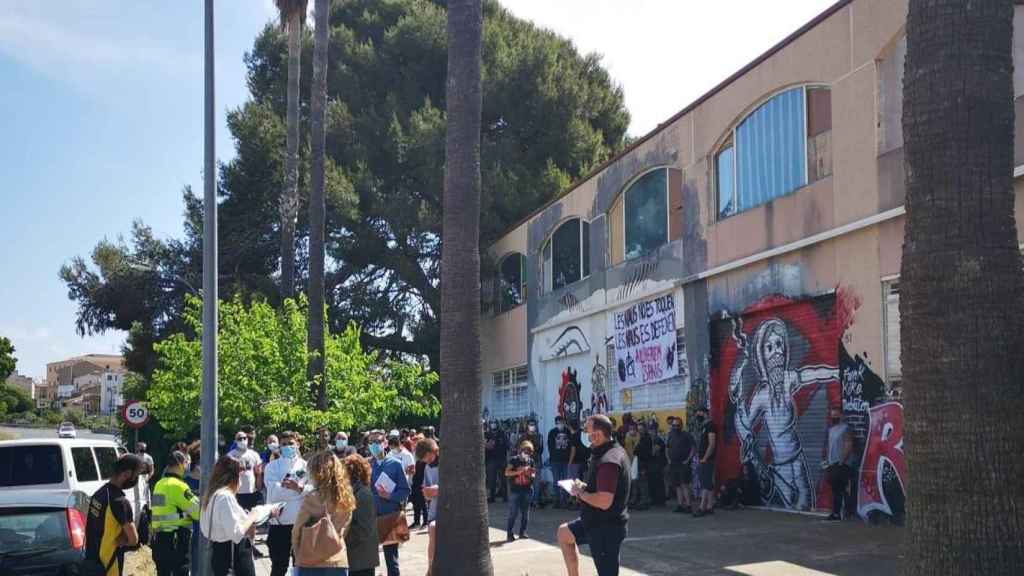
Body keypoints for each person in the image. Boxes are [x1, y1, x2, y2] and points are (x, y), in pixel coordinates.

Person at [557, 415, 629, 576]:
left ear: (597, 434)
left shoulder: (609, 460)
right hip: (593, 520)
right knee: (564, 533)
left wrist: (580, 493)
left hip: (606, 527)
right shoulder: (606, 451)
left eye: (587, 431)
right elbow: (602, 487)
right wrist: (584, 487)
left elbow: (604, 501)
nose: (585, 435)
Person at [201, 456, 271, 576]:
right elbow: (236, 533)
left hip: (219, 552)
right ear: (233, 477)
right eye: (240, 475)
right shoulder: (225, 497)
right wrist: (252, 516)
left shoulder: (212, 495)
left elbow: (206, 528)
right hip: (234, 555)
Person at [291, 451, 355, 575]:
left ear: (316, 473)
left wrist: (298, 555)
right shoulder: (347, 498)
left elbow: (296, 531)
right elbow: (344, 529)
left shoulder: (312, 498)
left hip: (310, 561)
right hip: (337, 560)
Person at [84, 454, 145, 576]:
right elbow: (134, 539)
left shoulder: (99, 494)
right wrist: (124, 538)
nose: (135, 479)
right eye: (136, 475)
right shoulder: (120, 502)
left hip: (92, 563)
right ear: (127, 474)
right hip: (110, 565)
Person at [264, 431, 309, 576]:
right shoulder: (272, 467)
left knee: (302, 566)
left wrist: (299, 488)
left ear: (298, 444)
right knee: (278, 566)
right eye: (284, 444)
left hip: (301, 524)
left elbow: (314, 491)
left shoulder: (306, 466)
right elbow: (274, 493)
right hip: (279, 524)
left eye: (291, 443)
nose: (287, 447)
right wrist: (298, 493)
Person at [151, 451, 200, 576]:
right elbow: (198, 512)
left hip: (159, 539)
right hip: (175, 540)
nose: (187, 466)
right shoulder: (179, 486)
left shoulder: (159, 484)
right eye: (186, 462)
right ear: (179, 463)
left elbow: (160, 511)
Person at [370, 430, 411, 576]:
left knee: (391, 560)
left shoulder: (395, 464)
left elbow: (405, 491)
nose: (374, 445)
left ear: (385, 443)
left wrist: (389, 495)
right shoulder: (368, 465)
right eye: (371, 442)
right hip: (372, 517)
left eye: (378, 442)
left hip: (389, 517)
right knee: (368, 559)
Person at [342, 454, 380, 576]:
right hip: (356, 557)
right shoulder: (354, 492)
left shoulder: (363, 494)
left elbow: (364, 529)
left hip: (362, 559)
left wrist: (342, 538)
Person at [824, 405, 855, 520]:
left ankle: (846, 513)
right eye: (832, 415)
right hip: (832, 463)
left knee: (842, 489)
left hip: (842, 463)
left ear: (841, 415)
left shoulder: (846, 428)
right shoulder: (831, 429)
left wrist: (842, 461)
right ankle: (836, 513)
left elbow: (848, 444)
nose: (834, 417)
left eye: (836, 415)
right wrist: (827, 461)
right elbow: (829, 446)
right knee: (836, 489)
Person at [415, 438, 440, 576]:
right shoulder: (427, 467)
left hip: (447, 509)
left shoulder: (446, 461)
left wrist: (437, 489)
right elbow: (427, 488)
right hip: (434, 509)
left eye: (427, 458)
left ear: (433, 451)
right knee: (432, 528)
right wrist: (427, 494)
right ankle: (430, 568)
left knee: (433, 528)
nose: (426, 462)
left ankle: (431, 569)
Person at [505, 440, 536, 541]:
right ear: (520, 450)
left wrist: (530, 473)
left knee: (525, 513)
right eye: (525, 450)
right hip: (515, 490)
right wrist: (519, 471)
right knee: (513, 513)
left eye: (529, 451)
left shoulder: (531, 461)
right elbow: (507, 473)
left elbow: (533, 474)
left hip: (527, 489)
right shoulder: (514, 460)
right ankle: (509, 533)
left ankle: (522, 532)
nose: (527, 453)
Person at [666, 416, 695, 513]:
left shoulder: (686, 435)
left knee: (684, 484)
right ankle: (680, 505)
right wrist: (668, 459)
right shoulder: (670, 435)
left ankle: (688, 505)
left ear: (681, 425)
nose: (675, 427)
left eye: (677, 425)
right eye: (674, 425)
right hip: (673, 463)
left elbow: (693, 448)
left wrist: (688, 460)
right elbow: (667, 447)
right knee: (677, 485)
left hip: (683, 464)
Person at [229, 430, 263, 512]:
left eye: (245, 438)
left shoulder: (254, 454)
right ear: (235, 441)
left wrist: (259, 488)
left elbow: (258, 473)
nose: (243, 440)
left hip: (252, 492)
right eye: (240, 438)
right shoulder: (230, 455)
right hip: (237, 493)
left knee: (253, 518)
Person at [694, 407, 717, 517]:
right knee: (708, 483)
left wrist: (705, 458)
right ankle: (710, 506)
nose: (698, 416)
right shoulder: (703, 426)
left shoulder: (710, 426)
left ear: (705, 413)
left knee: (705, 483)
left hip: (707, 459)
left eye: (699, 414)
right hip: (703, 458)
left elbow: (712, 444)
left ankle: (702, 507)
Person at [547, 416, 574, 508]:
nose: (560, 424)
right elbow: (550, 447)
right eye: (558, 422)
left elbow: (572, 445)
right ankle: (557, 501)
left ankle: (564, 501)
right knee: (556, 481)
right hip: (555, 461)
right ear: (555, 423)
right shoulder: (552, 432)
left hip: (566, 461)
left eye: (561, 422)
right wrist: (552, 458)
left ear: (564, 422)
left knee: (566, 482)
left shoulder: (568, 431)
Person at [184, 443, 202, 576]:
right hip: (191, 528)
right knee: (193, 560)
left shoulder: (212, 480)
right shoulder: (185, 481)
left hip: (207, 527)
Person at [519, 421, 544, 508]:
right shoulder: (523, 436)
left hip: (536, 462)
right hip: (526, 463)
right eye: (530, 425)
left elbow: (539, 449)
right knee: (526, 483)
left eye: (533, 425)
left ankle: (535, 501)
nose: (532, 426)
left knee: (536, 483)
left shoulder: (539, 436)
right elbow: (520, 448)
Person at [484, 421, 508, 503]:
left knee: (503, 479)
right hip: (491, 459)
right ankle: (492, 497)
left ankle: (505, 497)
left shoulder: (502, 434)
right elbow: (484, 445)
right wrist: (487, 445)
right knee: (492, 480)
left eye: (494, 423)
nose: (493, 425)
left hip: (501, 459)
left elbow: (507, 445)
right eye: (492, 423)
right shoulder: (487, 434)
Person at [631, 423, 652, 510]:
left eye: (641, 429)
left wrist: (636, 450)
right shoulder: (642, 438)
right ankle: (642, 500)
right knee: (640, 482)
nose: (640, 431)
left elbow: (639, 450)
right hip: (641, 461)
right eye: (639, 429)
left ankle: (645, 501)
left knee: (643, 483)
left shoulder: (646, 439)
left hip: (644, 462)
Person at [647, 421, 667, 506]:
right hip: (652, 465)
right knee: (652, 482)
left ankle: (660, 500)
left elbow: (654, 452)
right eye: (650, 430)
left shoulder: (658, 440)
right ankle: (655, 499)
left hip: (658, 464)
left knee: (659, 482)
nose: (651, 432)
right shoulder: (651, 440)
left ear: (655, 431)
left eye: (652, 430)